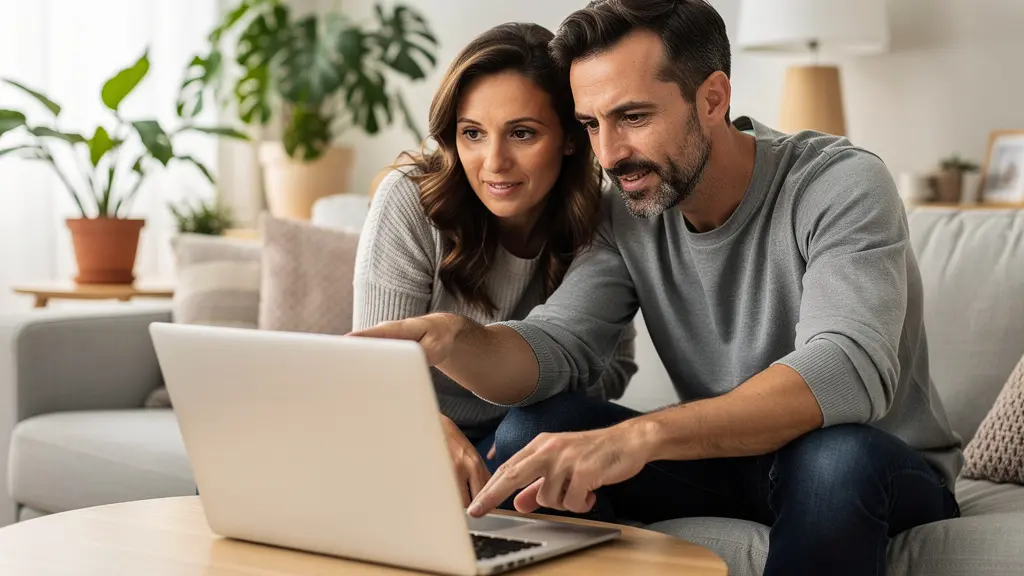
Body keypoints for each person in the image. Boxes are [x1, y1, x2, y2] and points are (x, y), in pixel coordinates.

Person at [351, 1, 964, 574]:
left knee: (832, 462)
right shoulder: (629, 210)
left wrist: (640, 436)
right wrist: (458, 339)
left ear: (713, 98)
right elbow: (558, 345)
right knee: (531, 435)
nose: (611, 154)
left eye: (633, 117)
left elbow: (847, 366)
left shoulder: (841, 184)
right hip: (730, 463)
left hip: (873, 464)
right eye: (591, 124)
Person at [352, 22, 637, 509]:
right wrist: (424, 425)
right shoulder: (411, 201)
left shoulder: (602, 220)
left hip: (516, 434)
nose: (494, 161)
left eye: (522, 133)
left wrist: (518, 385)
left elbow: (614, 369)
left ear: (571, 138)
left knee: (537, 429)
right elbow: (373, 370)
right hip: (405, 424)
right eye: (473, 134)